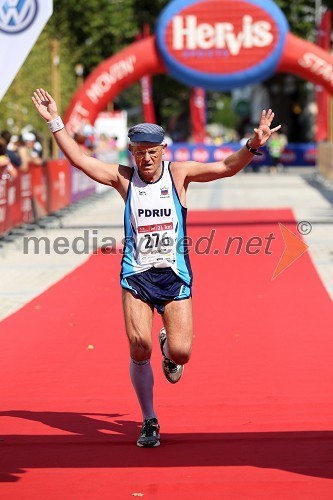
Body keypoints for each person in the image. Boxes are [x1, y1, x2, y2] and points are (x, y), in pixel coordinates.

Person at [32, 88, 281, 448]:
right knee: (137, 346)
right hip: (136, 276)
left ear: (163, 151)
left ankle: (168, 350)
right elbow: (81, 161)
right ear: (131, 154)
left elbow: (226, 167)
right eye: (139, 153)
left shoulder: (178, 175)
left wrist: (252, 145)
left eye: (151, 152)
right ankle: (149, 420)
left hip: (174, 276)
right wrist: (55, 122)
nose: (145, 159)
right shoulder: (123, 178)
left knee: (181, 353)